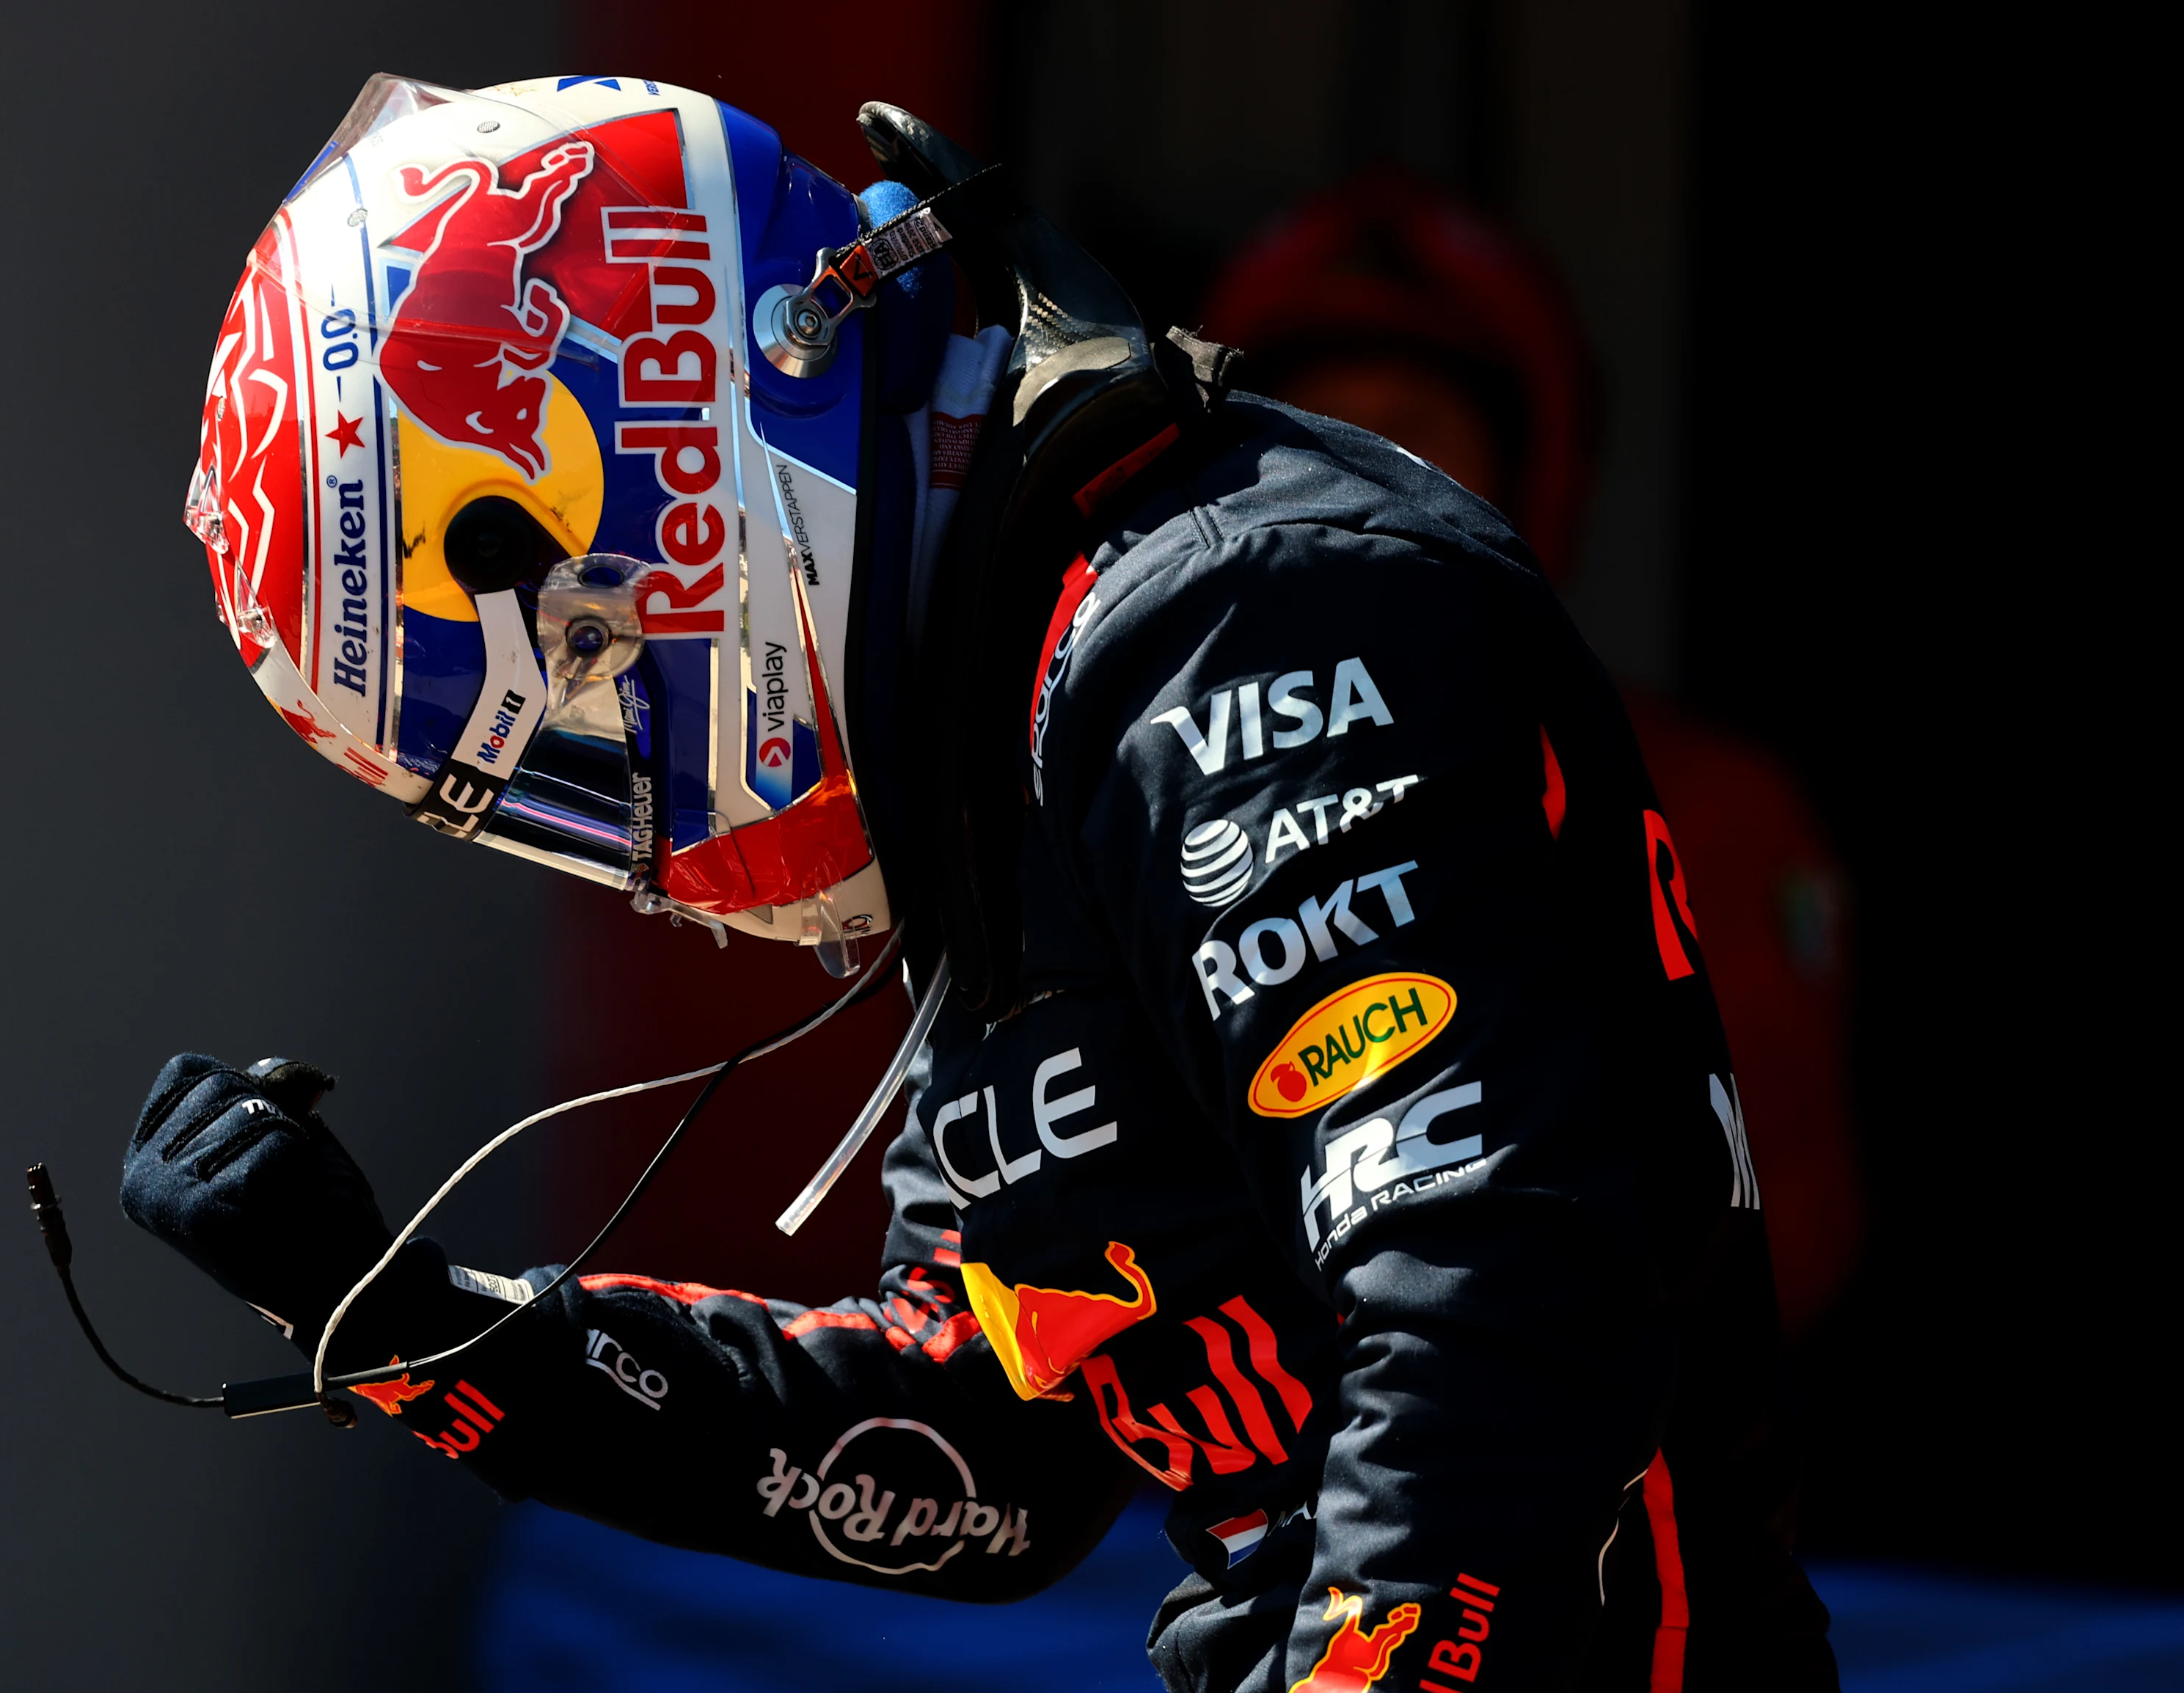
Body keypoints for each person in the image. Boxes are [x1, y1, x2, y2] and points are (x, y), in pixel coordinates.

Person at [131, 75, 1836, 1689]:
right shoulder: (999, 731)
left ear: (664, 467)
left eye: (582, 690)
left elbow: (1495, 1295)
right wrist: (414, 1326)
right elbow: (982, 1454)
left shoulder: (1225, 619)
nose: (628, 808)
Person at [1199, 169, 1863, 1337]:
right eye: (1305, 443)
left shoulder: (1708, 808)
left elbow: (1785, 1242)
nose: (1349, 490)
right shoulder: (1117, 806)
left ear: (1531, 473)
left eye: (1411, 434)